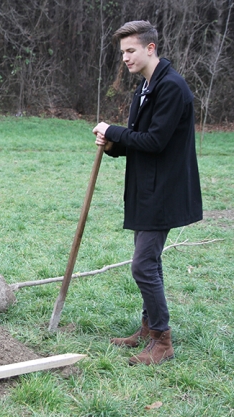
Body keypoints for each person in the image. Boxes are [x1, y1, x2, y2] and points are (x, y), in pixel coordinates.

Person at [93, 20, 202, 366]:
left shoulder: (171, 87)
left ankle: (162, 340)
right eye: (122, 52)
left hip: (165, 191)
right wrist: (113, 144)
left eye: (130, 50)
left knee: (142, 264)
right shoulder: (146, 87)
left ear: (150, 48)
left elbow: (155, 142)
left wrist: (114, 130)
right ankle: (147, 327)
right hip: (146, 189)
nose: (124, 58)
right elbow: (140, 140)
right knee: (149, 262)